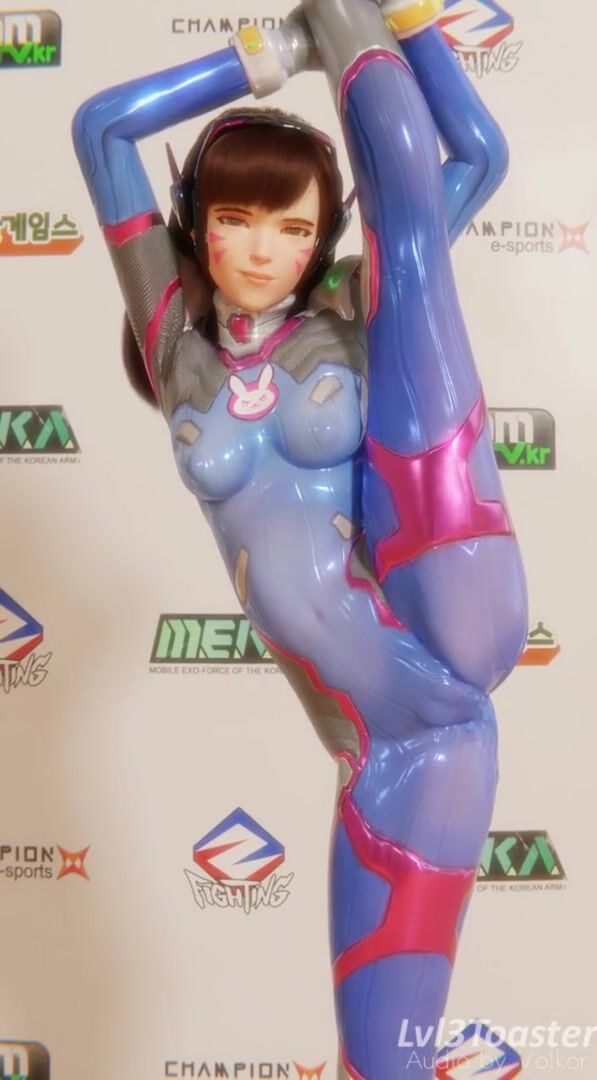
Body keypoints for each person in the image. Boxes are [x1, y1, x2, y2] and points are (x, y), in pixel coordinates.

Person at [73, 1, 528, 1076]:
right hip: (398, 747)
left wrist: (404, 28)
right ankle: (341, 23)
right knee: (382, 1058)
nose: (262, 249)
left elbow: (480, 156)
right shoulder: (176, 344)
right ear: (197, 225)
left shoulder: (347, 312)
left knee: (411, 250)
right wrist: (269, 57)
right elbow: (103, 128)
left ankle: (354, 13)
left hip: (441, 602)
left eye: (292, 227)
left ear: (321, 235)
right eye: (236, 220)